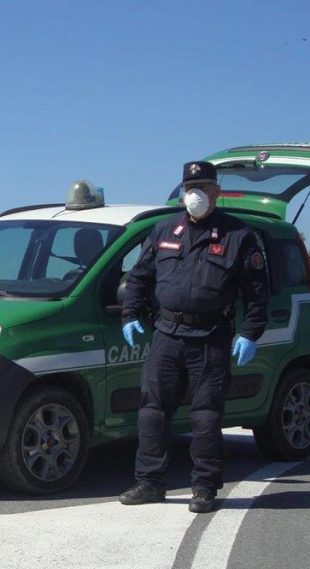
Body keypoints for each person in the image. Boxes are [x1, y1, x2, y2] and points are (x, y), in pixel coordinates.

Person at [118, 160, 269, 513]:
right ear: (182, 192)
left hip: (211, 335)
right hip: (167, 333)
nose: (196, 194)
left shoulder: (239, 236)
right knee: (153, 411)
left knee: (206, 416)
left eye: (203, 188)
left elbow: (258, 294)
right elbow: (139, 278)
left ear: (217, 191)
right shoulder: (163, 231)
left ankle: (204, 488)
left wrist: (250, 333)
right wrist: (130, 314)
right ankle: (150, 482)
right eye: (190, 188)